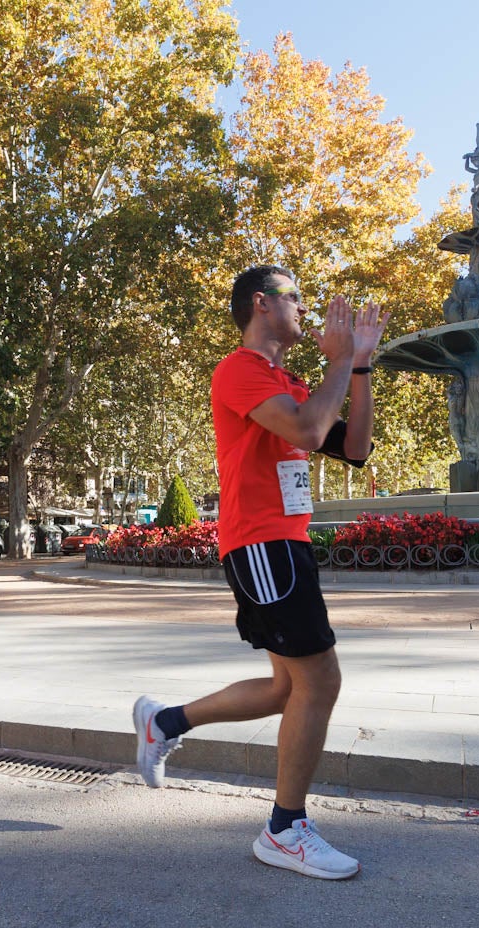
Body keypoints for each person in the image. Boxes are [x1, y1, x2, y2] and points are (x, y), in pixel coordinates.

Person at [132, 266, 388, 880]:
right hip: (263, 545)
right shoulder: (240, 369)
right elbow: (304, 427)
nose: (305, 308)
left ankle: (163, 722)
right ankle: (284, 829)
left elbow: (353, 449)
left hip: (286, 544)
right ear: (261, 304)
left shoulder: (288, 380)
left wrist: (358, 367)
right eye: (295, 296)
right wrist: (339, 359)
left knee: (286, 689)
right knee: (320, 682)